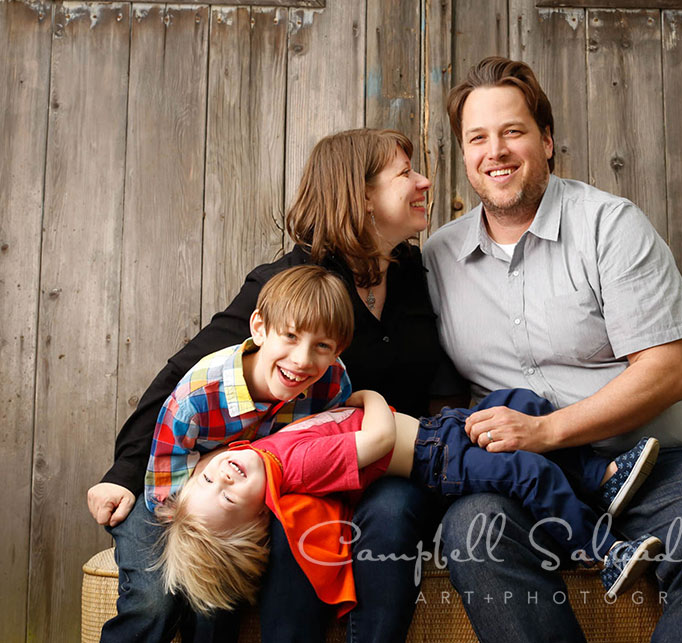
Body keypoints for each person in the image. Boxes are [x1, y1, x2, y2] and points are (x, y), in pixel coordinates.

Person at [422, 56, 682, 642]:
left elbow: (665, 373)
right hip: (527, 475)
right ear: (464, 155)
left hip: (658, 459)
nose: (495, 151)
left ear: (547, 140)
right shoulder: (437, 258)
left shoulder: (610, 225)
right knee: (472, 530)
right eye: (477, 138)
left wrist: (544, 432)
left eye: (513, 132)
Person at [86, 128, 445, 643]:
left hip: (365, 464)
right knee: (158, 595)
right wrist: (123, 472)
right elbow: (182, 377)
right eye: (406, 173)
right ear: (362, 195)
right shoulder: (294, 282)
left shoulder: (412, 273)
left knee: (379, 514)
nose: (424, 181)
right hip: (214, 464)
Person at [154, 386, 663, 616]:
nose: (223, 477)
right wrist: (371, 397)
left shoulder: (260, 449)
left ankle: (601, 477)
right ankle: (600, 550)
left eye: (206, 482)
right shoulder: (290, 470)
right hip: (435, 461)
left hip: (440, 431)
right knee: (523, 471)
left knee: (521, 406)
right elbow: (374, 441)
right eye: (229, 497)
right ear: (255, 517)